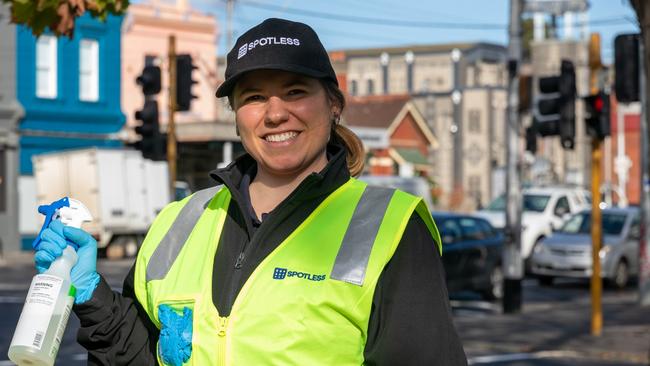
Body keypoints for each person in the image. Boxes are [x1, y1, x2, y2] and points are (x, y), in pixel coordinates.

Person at [34, 18, 467, 365]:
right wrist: (89, 292)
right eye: (255, 96)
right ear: (237, 115)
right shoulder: (177, 221)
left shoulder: (389, 226)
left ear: (334, 104)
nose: (275, 113)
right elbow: (139, 355)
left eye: (295, 92)